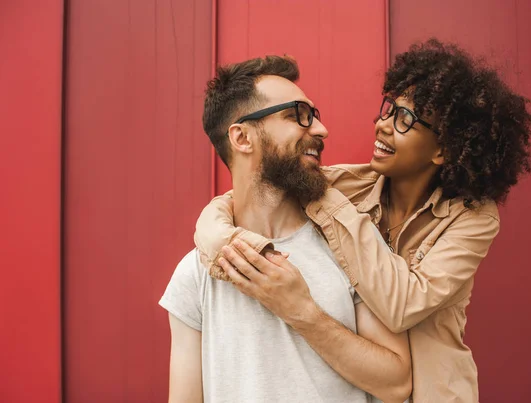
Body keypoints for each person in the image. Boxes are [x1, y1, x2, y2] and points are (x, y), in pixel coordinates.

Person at [194, 39, 531, 402]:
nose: (383, 126)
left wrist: (324, 197)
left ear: (443, 150)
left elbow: (402, 305)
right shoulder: (349, 186)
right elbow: (244, 195)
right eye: (389, 109)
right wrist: (224, 246)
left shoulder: (472, 217)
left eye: (405, 119)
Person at [159, 55, 412, 403]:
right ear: (243, 138)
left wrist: (301, 311)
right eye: (299, 116)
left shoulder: (349, 243)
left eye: (315, 117)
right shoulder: (198, 272)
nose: (321, 130)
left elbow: (397, 383)